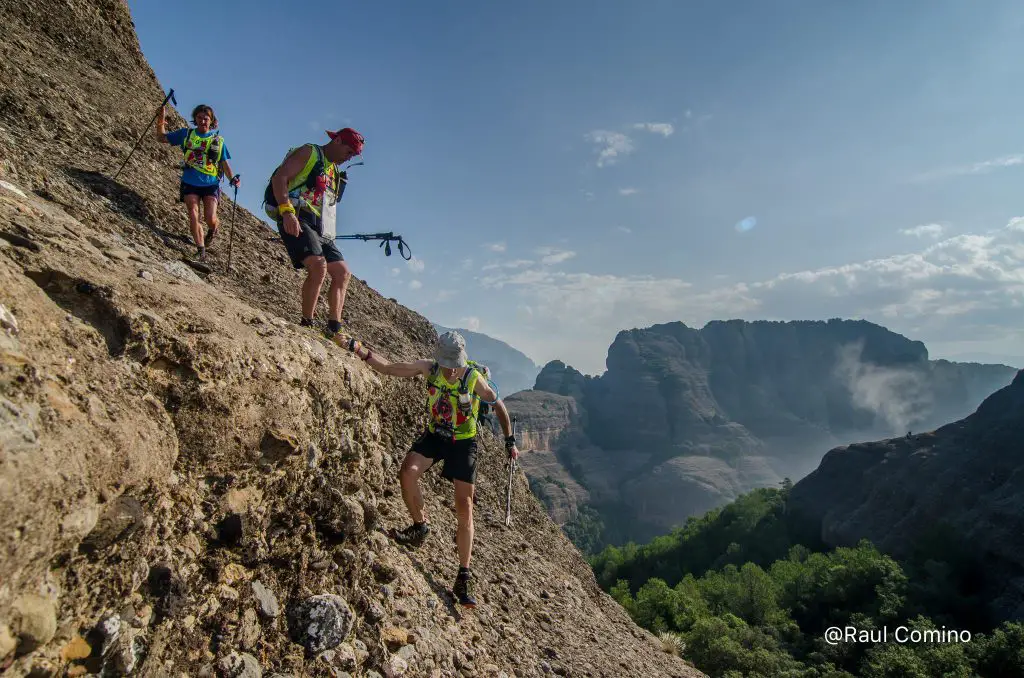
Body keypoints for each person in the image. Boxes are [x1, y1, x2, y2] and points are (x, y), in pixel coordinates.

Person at [338, 330, 520, 607]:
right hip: (436, 435)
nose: (450, 368)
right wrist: (359, 349)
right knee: (408, 472)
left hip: (463, 441)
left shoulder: (474, 378)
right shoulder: (429, 368)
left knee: (464, 505)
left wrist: (510, 442)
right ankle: (420, 526)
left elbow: (499, 406)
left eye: (454, 363)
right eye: (447, 363)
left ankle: (463, 575)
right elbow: (390, 368)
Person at [263, 128, 364, 340]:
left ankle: (334, 328)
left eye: (353, 156)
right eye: (349, 152)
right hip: (296, 213)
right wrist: (287, 211)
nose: (349, 158)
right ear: (337, 140)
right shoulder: (309, 152)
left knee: (342, 273)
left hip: (320, 225)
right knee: (318, 266)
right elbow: (280, 178)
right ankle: (306, 323)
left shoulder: (334, 170)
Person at [156, 104, 239, 262]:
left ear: (211, 121)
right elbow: (161, 138)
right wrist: (161, 118)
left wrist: (233, 179)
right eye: (199, 118)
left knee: (210, 218)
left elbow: (225, 164)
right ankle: (201, 250)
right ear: (195, 119)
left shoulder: (218, 141)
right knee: (194, 215)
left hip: (210, 184)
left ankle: (214, 228)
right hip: (190, 182)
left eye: (206, 118)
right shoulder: (185, 134)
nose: (202, 121)